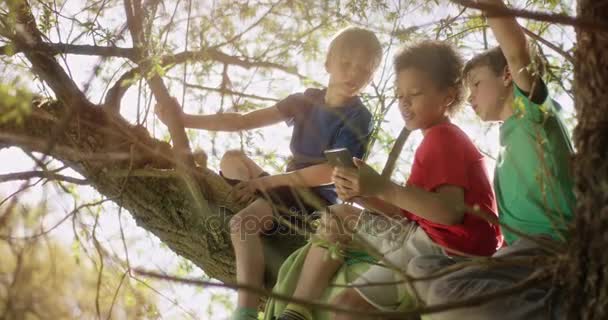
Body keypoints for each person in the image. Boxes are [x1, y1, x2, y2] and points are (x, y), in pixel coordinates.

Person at [155, 26, 383, 320]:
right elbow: (242, 121)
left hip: (314, 199)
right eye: (347, 63)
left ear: (372, 76)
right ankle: (256, 198)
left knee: (242, 225)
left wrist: (268, 183)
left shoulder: (359, 118)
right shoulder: (304, 101)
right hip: (285, 187)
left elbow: (332, 172)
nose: (354, 73)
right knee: (233, 159)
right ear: (328, 62)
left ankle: (246, 311)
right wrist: (183, 119)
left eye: (365, 69)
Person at [272, 40, 501, 320]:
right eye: (399, 95)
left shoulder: (444, 138)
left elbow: (449, 213)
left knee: (346, 307)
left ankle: (299, 307)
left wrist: (382, 187)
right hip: (426, 235)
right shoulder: (433, 140)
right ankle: (296, 311)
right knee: (340, 214)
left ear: (448, 97)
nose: (404, 103)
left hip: (450, 249)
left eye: (414, 94)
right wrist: (363, 194)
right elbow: (411, 213)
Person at [407, 1, 575, 319]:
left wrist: (491, 6)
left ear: (508, 76)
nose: (470, 97)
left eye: (476, 84)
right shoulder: (505, 145)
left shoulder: (533, 115)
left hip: (548, 246)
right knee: (422, 266)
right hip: (513, 258)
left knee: (445, 294)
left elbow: (517, 51)